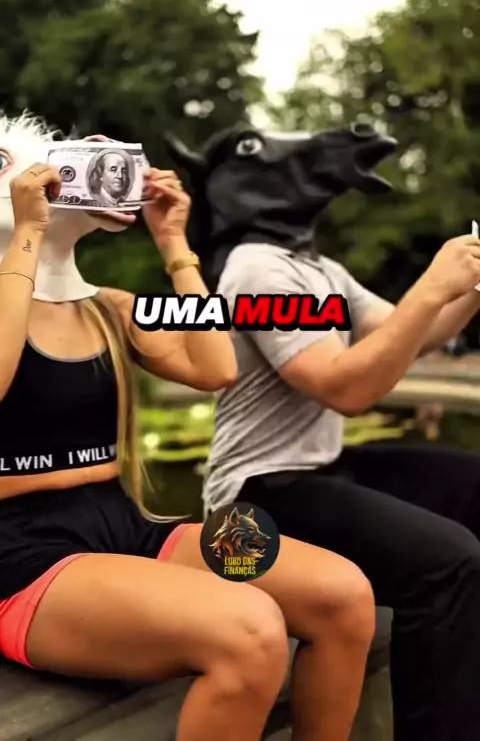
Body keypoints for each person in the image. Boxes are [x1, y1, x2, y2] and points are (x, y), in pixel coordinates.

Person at [0, 114, 376, 741]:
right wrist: (29, 236)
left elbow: (215, 365)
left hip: (124, 524)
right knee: (249, 630)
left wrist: (174, 244)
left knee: (343, 594)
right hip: (19, 553)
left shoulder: (111, 306)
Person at [165, 123, 480, 741]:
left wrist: (470, 284)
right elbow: (344, 388)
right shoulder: (254, 271)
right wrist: (433, 283)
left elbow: (419, 333)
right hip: (252, 499)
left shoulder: (319, 269)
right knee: (447, 563)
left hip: (323, 467)